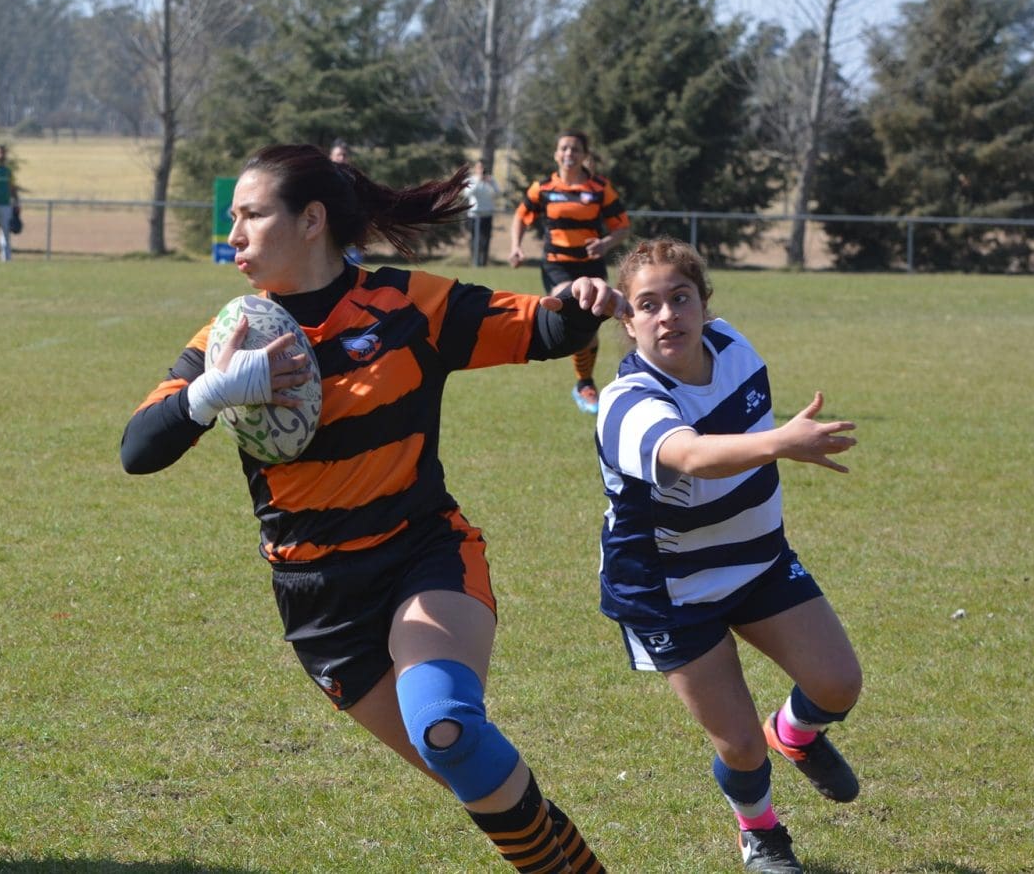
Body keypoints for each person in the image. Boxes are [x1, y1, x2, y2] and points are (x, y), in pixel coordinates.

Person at [122, 144, 624, 874]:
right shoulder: (227, 339)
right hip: (320, 601)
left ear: (311, 220)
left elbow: (541, 329)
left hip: (421, 552)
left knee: (446, 728)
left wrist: (580, 308)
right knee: (481, 780)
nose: (233, 234)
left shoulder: (406, 304)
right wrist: (212, 393)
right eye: (233, 218)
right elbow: (138, 449)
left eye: (253, 215)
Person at [593, 237, 863, 874]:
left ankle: (793, 737)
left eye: (680, 299)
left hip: (758, 559)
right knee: (739, 745)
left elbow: (641, 315)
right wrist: (780, 442)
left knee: (837, 683)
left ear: (705, 305)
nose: (668, 316)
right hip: (672, 590)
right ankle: (761, 833)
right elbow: (687, 454)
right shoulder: (627, 402)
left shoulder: (734, 346)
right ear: (627, 323)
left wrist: (774, 444)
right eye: (648, 306)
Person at [508, 130, 630, 415]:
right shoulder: (543, 188)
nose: (569, 153)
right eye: (564, 148)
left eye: (575, 149)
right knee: (576, 309)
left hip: (591, 265)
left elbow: (622, 226)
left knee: (590, 329)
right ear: (555, 153)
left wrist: (606, 243)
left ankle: (583, 383)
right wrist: (516, 246)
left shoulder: (600, 188)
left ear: (584, 155)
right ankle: (582, 379)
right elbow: (521, 216)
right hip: (557, 265)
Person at [463, 161, 500, 267]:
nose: (481, 170)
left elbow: (497, 193)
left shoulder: (491, 180)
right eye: (479, 168)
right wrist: (478, 181)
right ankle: (474, 261)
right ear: (475, 168)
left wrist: (489, 183)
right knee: (475, 238)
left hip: (487, 214)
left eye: (482, 168)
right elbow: (467, 193)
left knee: (485, 239)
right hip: (474, 214)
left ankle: (483, 262)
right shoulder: (470, 180)